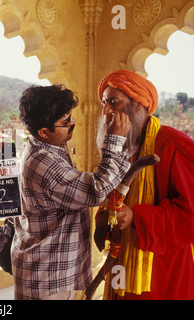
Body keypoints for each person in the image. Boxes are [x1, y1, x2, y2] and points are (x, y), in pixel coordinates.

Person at [11, 84, 131, 300]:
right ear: (44, 132)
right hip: (46, 279)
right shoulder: (42, 162)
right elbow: (96, 191)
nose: (73, 123)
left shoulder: (45, 146)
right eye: (66, 122)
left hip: (49, 271)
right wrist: (115, 140)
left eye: (70, 117)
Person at [97, 69, 194, 300]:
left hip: (163, 266)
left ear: (138, 105)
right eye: (104, 102)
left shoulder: (174, 145)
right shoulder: (119, 143)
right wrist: (104, 216)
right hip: (121, 257)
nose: (106, 111)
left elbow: (190, 212)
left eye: (114, 102)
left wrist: (136, 217)